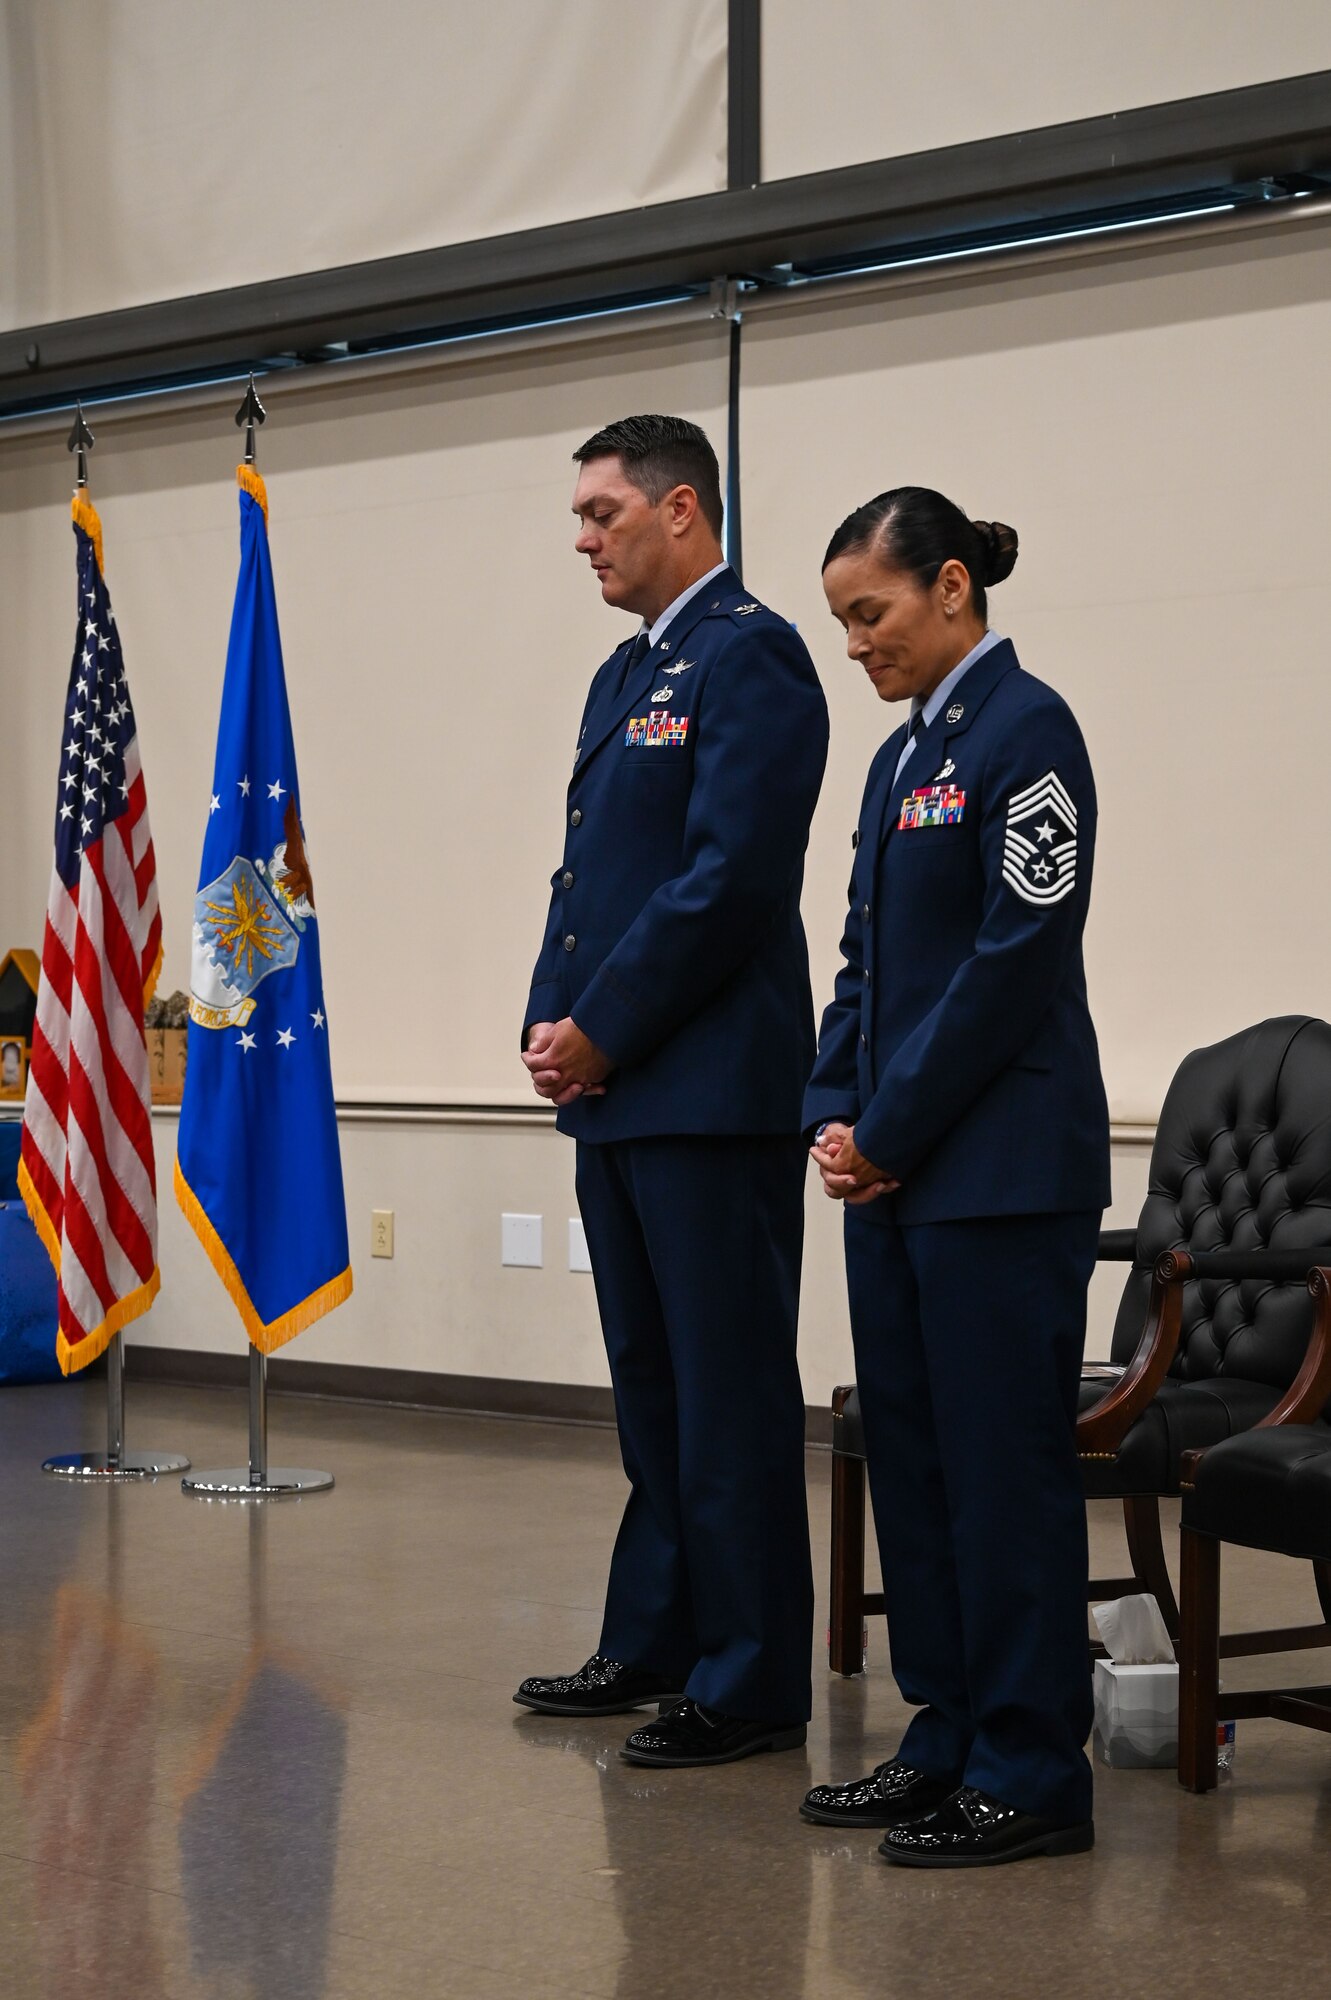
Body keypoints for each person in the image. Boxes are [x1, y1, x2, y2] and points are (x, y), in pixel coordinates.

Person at [799, 487, 1110, 1866]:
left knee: (1003, 1474)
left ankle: (1034, 1768)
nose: (856, 645)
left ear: (951, 592)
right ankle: (948, 1737)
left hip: (998, 1175)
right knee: (919, 1469)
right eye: (843, 622)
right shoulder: (897, 756)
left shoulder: (1028, 734)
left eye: (870, 614)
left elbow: (1012, 961)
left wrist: (892, 1129)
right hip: (899, 1176)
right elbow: (864, 958)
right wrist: (832, 1110)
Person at [514, 414, 828, 1768]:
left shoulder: (750, 654)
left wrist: (605, 1026)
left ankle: (752, 1678)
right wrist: (550, 1017)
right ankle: (658, 1635)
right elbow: (592, 873)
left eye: (602, 514)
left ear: (681, 509)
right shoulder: (619, 676)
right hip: (624, 1089)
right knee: (651, 1387)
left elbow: (728, 882)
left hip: (708, 1089)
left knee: (730, 1389)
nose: (583, 539)